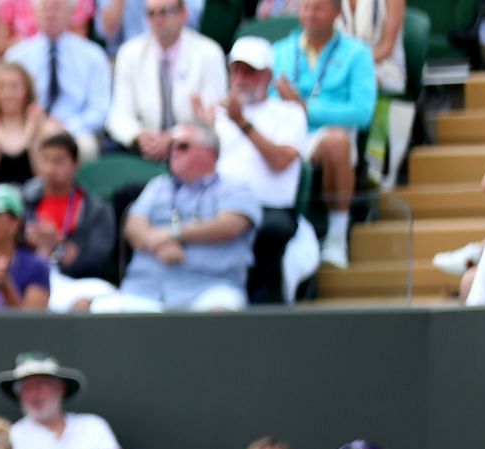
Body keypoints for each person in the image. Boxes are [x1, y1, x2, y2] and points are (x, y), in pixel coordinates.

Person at [268, 0, 376, 269]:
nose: (310, 15)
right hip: (282, 132)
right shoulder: (279, 51)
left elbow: (362, 112)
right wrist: (290, 110)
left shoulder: (358, 53)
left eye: (318, 8)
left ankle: (337, 237)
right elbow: (266, 100)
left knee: (337, 142)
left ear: (337, 13)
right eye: (305, 8)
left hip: (327, 136)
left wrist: (307, 108)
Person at [204, 37, 309, 305]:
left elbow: (280, 161)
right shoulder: (216, 115)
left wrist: (242, 123)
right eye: (235, 70)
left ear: (267, 76)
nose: (240, 78)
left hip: (270, 210)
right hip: (219, 206)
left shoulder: (289, 113)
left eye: (249, 71)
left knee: (269, 232)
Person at [115, 122, 259, 311]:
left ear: (209, 152)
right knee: (99, 312)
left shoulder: (235, 188)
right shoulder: (158, 186)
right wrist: (159, 243)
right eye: (171, 146)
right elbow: (133, 226)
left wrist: (174, 233)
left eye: (182, 146)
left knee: (221, 312)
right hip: (146, 289)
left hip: (208, 288)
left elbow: (230, 225)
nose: (174, 151)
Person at [106, 0, 226, 161]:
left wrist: (173, 137)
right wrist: (138, 135)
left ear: (184, 13)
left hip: (192, 146)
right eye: (151, 13)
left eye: (165, 12)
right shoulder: (129, 53)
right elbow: (119, 114)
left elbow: (214, 113)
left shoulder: (209, 53)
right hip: (143, 148)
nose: (158, 19)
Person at [4, 0, 111, 157]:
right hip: (28, 128)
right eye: (45, 8)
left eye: (56, 7)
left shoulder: (93, 55)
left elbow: (100, 108)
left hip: (75, 131)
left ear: (71, 12)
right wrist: (34, 124)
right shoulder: (16, 56)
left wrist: (67, 126)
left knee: (86, 146)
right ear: (34, 12)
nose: (50, 13)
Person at [22, 132, 118, 300]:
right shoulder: (24, 201)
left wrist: (58, 243)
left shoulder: (96, 210)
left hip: (75, 285)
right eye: (45, 160)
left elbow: (96, 262)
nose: (50, 168)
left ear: (75, 165)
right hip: (28, 282)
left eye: (58, 161)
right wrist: (26, 242)